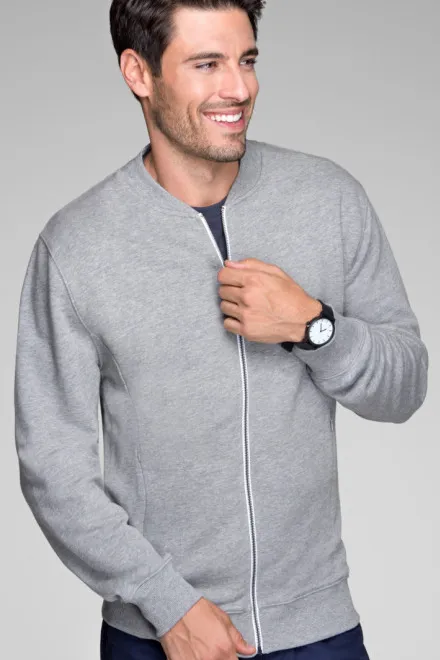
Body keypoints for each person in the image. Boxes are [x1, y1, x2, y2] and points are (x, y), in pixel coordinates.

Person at [14, 1, 428, 659]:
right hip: (161, 637)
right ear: (139, 73)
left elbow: (404, 387)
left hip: (318, 631)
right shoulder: (76, 247)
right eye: (207, 64)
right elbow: (52, 467)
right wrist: (167, 603)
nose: (239, 88)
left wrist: (313, 327)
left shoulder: (328, 199)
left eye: (247, 60)